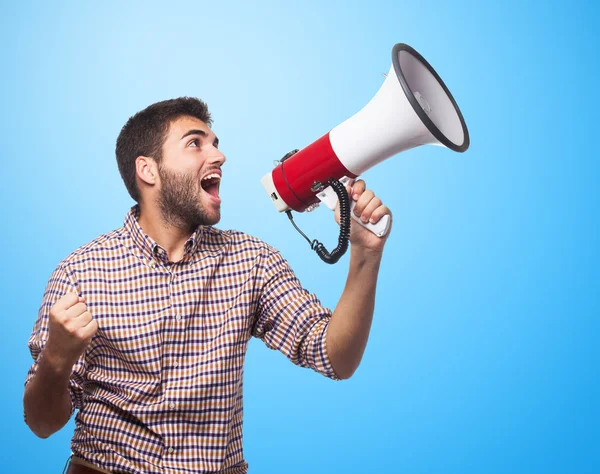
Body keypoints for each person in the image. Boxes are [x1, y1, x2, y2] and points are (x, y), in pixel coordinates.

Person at [23, 97, 392, 474]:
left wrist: (365, 255)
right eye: (195, 143)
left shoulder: (252, 261)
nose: (219, 156)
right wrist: (56, 357)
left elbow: (336, 357)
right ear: (148, 170)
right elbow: (41, 423)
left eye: (215, 143)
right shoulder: (80, 273)